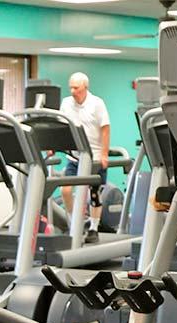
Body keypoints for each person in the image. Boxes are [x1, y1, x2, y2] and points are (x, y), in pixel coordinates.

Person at [58, 71, 112, 221]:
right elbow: (61, 127)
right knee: (66, 191)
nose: (72, 91)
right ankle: (75, 221)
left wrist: (104, 154)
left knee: (94, 194)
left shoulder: (97, 103)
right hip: (74, 157)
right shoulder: (66, 103)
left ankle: (94, 228)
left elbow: (105, 129)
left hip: (94, 157)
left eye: (76, 88)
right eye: (71, 88)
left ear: (85, 87)